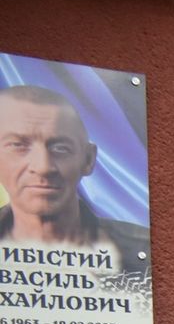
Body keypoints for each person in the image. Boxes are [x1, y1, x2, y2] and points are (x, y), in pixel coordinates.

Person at [0, 83, 148, 273]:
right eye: (18, 145)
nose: (43, 167)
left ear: (88, 159)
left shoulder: (145, 254)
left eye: (60, 148)